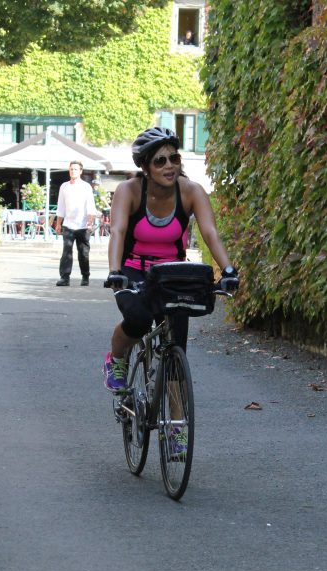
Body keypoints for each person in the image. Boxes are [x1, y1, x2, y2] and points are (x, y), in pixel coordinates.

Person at [102, 126, 239, 393]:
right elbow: (117, 230)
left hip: (173, 275)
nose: (169, 166)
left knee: (177, 352)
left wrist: (229, 270)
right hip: (133, 270)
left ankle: (177, 427)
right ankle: (116, 360)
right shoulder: (128, 191)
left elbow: (210, 232)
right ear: (145, 167)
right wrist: (115, 271)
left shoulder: (191, 191)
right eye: (160, 161)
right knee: (139, 320)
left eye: (174, 158)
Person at [55, 161, 97, 286]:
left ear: (80, 171)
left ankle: (85, 276)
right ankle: (65, 277)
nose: (73, 171)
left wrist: (90, 223)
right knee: (66, 251)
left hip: (83, 225)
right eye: (71, 169)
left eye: (75, 169)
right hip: (68, 224)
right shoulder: (64, 186)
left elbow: (90, 206)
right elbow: (60, 206)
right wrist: (58, 224)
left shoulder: (86, 187)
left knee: (83, 253)